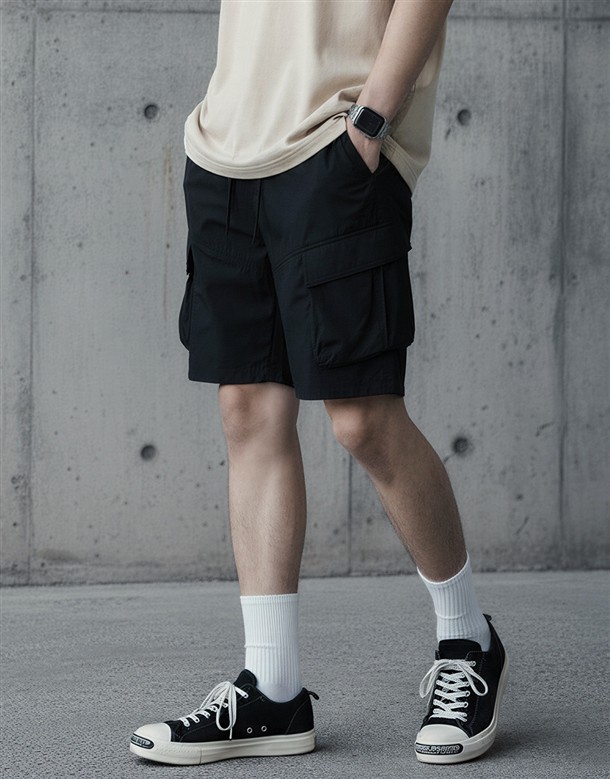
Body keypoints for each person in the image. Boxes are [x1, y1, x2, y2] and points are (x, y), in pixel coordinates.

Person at [129, 0, 508, 767]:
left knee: (362, 417)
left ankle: (468, 639)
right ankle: (272, 690)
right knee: (247, 409)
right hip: (225, 150)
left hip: (336, 141)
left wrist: (370, 123)